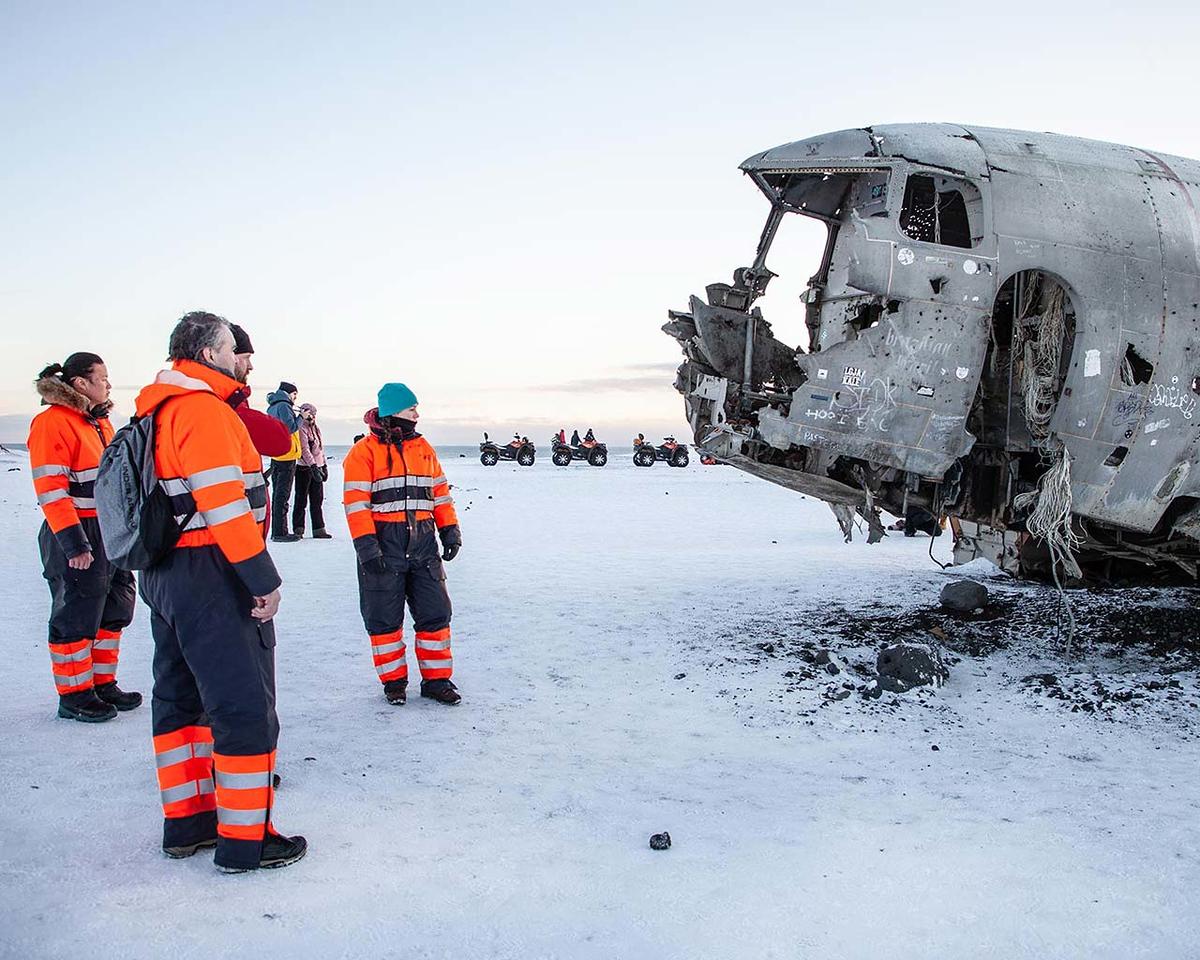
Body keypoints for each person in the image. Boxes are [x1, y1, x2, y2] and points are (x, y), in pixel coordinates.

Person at [135, 311, 305, 873]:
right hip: (213, 570)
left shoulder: (159, 409)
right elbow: (224, 505)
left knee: (180, 700)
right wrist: (262, 579)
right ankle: (246, 839)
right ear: (209, 355)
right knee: (243, 705)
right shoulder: (203, 412)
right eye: (234, 350)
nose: (241, 359)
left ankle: (188, 824)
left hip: (165, 573)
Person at [28, 354, 140, 722]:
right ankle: (75, 694)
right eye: (102, 377)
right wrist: (74, 543)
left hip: (110, 530)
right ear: (80, 384)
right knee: (76, 613)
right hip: (77, 530)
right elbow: (51, 489)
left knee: (114, 608)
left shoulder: (99, 422)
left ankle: (102, 683)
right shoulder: (52, 423)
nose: (108, 384)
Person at [343, 382, 462, 706]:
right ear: (393, 412)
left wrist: (449, 529)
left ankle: (437, 681)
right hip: (384, 545)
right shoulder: (363, 452)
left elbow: (440, 493)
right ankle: (394, 682)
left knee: (436, 614)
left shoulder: (424, 448)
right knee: (383, 619)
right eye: (412, 409)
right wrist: (367, 546)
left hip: (423, 545)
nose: (417, 414)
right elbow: (355, 504)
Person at [266, 381, 302, 542]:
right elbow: (291, 427)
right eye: (295, 395)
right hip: (287, 456)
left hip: (276, 455)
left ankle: (277, 530)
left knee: (277, 495)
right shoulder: (284, 406)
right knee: (283, 495)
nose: (295, 398)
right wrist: (302, 417)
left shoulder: (272, 406)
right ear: (289, 393)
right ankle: (280, 532)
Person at [293, 403, 330, 539]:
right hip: (304, 468)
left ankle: (319, 529)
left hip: (318, 467)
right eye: (310, 414)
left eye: (314, 414)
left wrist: (324, 465)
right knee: (301, 500)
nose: (312, 417)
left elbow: (320, 449)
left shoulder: (316, 428)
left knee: (317, 500)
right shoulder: (301, 428)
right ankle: (298, 528)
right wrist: (313, 466)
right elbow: (304, 449)